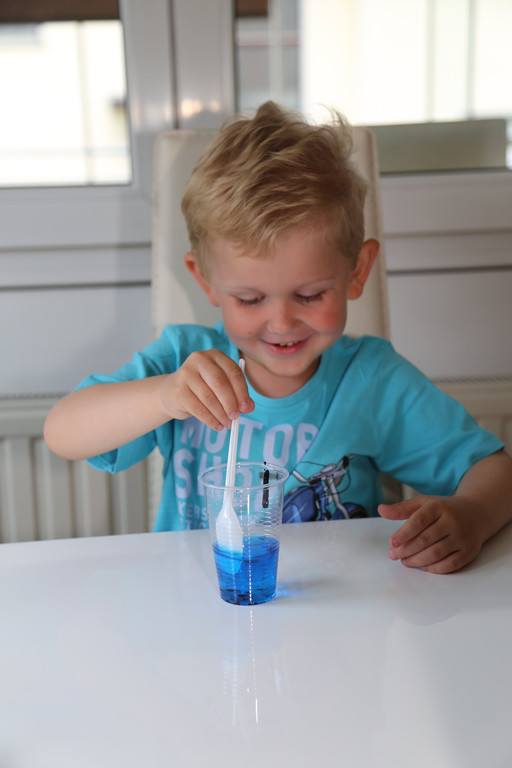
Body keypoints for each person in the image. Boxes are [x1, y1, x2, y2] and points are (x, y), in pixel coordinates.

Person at [44, 101, 512, 574]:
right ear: (206, 281)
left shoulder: (372, 379)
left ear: (357, 271)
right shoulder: (182, 360)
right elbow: (62, 431)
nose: (282, 323)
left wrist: (473, 515)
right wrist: (163, 395)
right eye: (250, 299)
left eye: (309, 295)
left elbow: (498, 473)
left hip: (343, 610)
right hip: (195, 607)